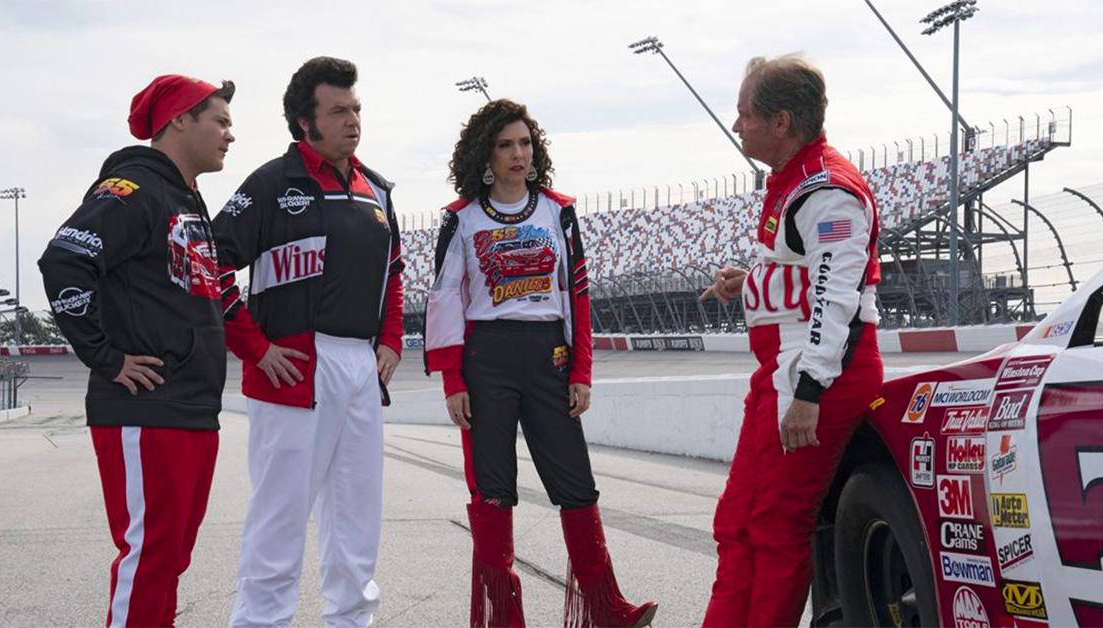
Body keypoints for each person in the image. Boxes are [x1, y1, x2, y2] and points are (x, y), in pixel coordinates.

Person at [424, 98, 657, 628]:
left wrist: (581, 371)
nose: (518, 154)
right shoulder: (460, 219)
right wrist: (453, 379)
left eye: (525, 143)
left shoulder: (559, 210)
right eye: (505, 145)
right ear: (485, 153)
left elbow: (577, 294)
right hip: (487, 360)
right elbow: (444, 300)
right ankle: (502, 617)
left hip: (549, 355)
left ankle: (607, 609)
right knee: (493, 488)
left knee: (576, 483)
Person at [211, 56, 403, 628]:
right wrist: (254, 346)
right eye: (338, 110)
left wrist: (390, 338)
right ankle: (260, 622)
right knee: (281, 514)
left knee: (357, 511)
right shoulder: (271, 183)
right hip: (291, 366)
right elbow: (210, 259)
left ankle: (351, 620)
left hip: (360, 366)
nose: (352, 120)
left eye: (357, 109)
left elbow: (393, 270)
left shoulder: (378, 189)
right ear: (304, 122)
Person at [38, 74, 235, 627]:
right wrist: (106, 357)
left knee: (169, 560)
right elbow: (64, 262)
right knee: (149, 558)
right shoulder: (132, 189)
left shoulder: (187, 200)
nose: (229, 135)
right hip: (146, 409)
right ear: (179, 120)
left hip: (193, 408)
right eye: (219, 121)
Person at [698, 54, 884, 627]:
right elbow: (807, 276)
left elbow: (839, 300)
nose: (737, 126)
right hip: (785, 373)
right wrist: (749, 280)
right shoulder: (795, 181)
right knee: (737, 523)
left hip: (815, 378)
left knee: (776, 526)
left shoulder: (828, 190)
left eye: (744, 114)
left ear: (781, 122)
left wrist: (808, 390)